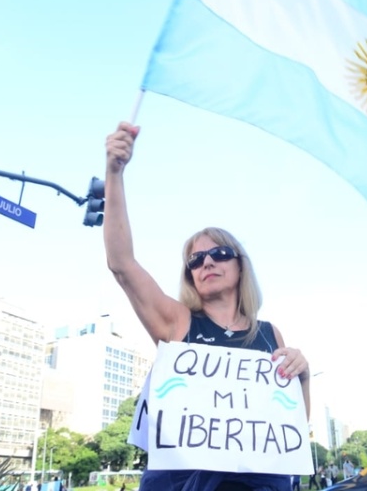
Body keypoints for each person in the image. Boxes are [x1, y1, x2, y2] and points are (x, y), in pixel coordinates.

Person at [104, 122, 310, 491]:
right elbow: (122, 264)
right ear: (190, 275)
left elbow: (287, 427)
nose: (207, 263)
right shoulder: (177, 321)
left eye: (218, 253)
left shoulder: (269, 333)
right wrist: (114, 173)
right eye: (195, 260)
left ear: (240, 264)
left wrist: (303, 374)